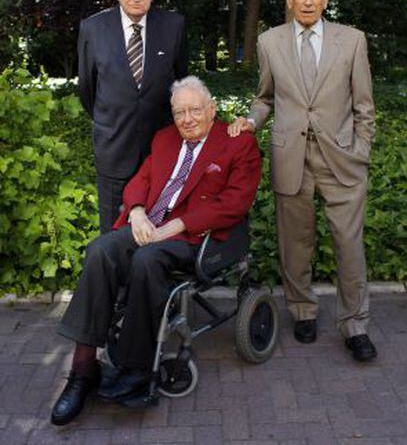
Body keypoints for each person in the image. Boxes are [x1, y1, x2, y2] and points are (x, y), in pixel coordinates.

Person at [51, 76, 261, 426]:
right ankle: (83, 369)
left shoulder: (236, 144)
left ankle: (135, 370)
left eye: (195, 109)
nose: (188, 118)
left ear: (212, 110)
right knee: (101, 250)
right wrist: (135, 212)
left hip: (195, 236)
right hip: (149, 225)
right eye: (180, 111)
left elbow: (235, 204)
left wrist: (176, 226)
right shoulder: (164, 139)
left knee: (148, 260)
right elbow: (142, 180)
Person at [229, 0, 376, 362]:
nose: (308, 1)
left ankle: (355, 325)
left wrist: (361, 151)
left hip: (342, 160)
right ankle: (303, 311)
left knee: (349, 245)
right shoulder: (269, 41)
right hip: (290, 157)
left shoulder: (353, 41)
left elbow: (364, 106)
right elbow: (265, 98)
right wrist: (251, 121)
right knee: (295, 245)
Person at [78, 0, 188, 234]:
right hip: (114, 146)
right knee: (113, 231)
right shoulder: (93, 29)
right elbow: (87, 89)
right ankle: (114, 278)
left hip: (161, 147)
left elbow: (181, 83)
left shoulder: (174, 26)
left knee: (157, 226)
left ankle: (147, 277)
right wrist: (114, 116)